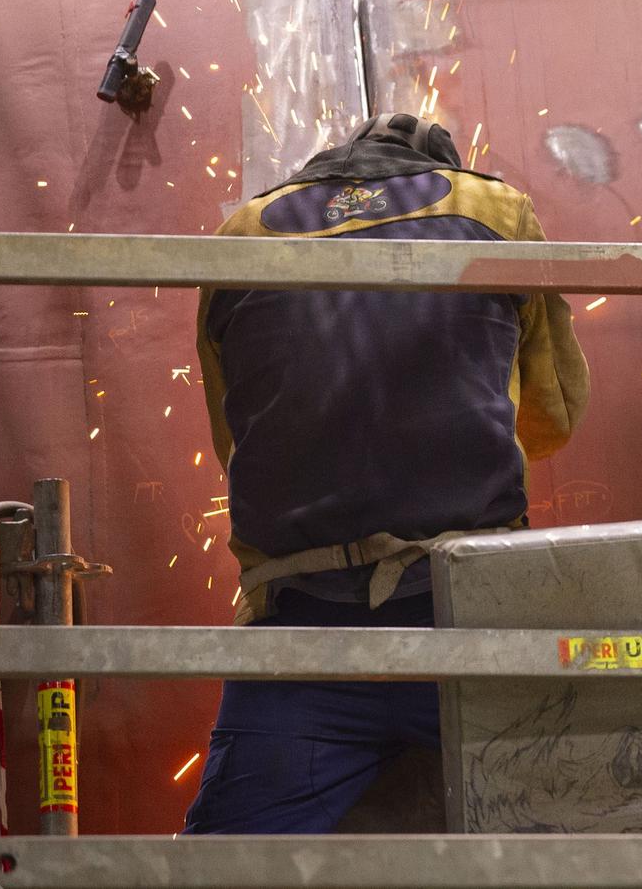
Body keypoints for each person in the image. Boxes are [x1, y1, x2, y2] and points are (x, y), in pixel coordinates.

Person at [182, 112, 589, 833]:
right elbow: (554, 415)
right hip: (469, 617)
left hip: (303, 632)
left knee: (228, 864)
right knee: (559, 841)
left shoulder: (241, 235)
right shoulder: (494, 209)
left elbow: (238, 442)